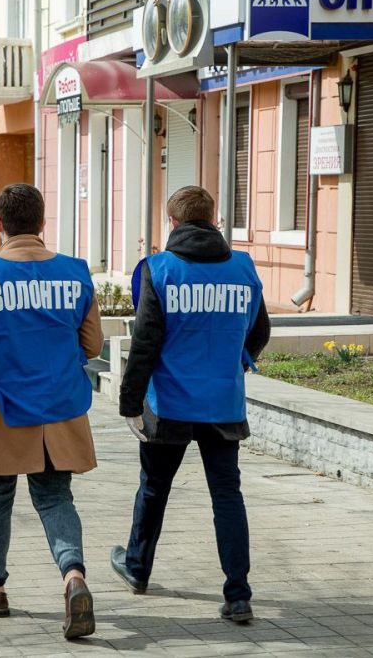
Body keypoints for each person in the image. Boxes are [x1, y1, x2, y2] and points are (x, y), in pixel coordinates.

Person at [0, 183, 104, 640]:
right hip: (60, 411)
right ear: (42, 223)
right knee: (55, 498)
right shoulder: (75, 272)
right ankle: (74, 578)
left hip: (1, 414)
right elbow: (92, 344)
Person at [110, 186, 271, 624]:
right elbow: (258, 331)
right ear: (213, 220)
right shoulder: (242, 267)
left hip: (170, 406)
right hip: (223, 403)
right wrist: (237, 361)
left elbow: (145, 342)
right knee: (227, 495)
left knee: (154, 487)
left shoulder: (157, 270)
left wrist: (129, 403)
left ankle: (138, 567)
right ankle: (238, 593)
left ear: (173, 223)